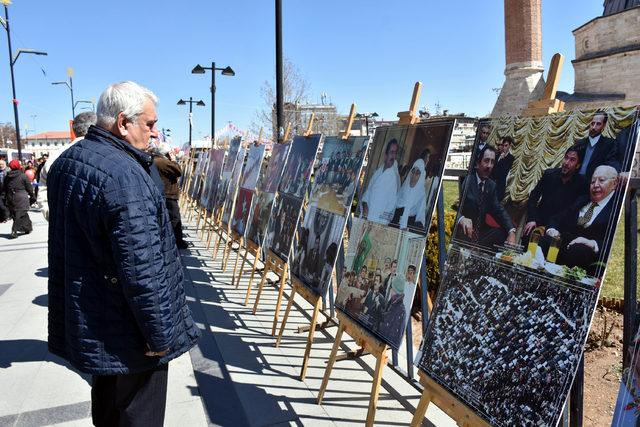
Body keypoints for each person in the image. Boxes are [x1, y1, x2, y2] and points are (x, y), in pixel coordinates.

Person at [47, 81, 200, 426]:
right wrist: (160, 338)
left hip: (96, 322)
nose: (155, 132)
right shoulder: (125, 175)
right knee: (137, 413)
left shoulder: (68, 162)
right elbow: (142, 268)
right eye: (149, 124)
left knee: (107, 408)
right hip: (130, 333)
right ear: (122, 122)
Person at [545, 165, 619, 276]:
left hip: (586, 253)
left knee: (577, 251)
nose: (596, 185)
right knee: (542, 240)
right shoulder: (582, 200)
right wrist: (552, 230)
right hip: (564, 243)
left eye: (601, 180)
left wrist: (592, 243)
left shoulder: (618, 208)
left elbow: (616, 243)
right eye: (593, 182)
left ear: (614, 183)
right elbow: (556, 218)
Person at [41, 111, 98, 221]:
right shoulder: (106, 152)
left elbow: (43, 193)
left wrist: (53, 217)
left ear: (74, 130)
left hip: (62, 224)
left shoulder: (53, 157)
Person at [456, 146, 516, 249]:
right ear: (477, 163)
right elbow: (451, 207)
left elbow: (499, 210)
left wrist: (511, 231)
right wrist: (461, 219)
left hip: (480, 234)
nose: (489, 166)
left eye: (492, 162)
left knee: (501, 233)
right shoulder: (466, 180)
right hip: (463, 232)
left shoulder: (491, 185)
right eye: (486, 161)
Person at [524, 145, 587, 236]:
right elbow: (533, 198)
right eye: (566, 158)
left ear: (578, 165)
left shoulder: (582, 183)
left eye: (572, 160)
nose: (566, 163)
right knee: (528, 233)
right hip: (539, 222)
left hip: (560, 227)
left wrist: (554, 227)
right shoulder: (549, 175)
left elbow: (573, 209)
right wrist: (532, 219)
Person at [152, 142, 188, 249]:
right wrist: (173, 160)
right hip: (168, 195)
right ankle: (176, 241)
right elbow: (178, 171)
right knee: (174, 219)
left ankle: (174, 240)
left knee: (171, 218)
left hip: (165, 193)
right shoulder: (162, 161)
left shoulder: (156, 159)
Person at [361, 138, 401, 225]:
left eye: (395, 153)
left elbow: (392, 206)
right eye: (391, 152)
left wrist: (379, 225)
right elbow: (368, 191)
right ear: (385, 155)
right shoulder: (378, 171)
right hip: (366, 218)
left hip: (378, 224)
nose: (393, 156)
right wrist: (365, 205)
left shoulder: (394, 177)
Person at [575, 111, 620, 180]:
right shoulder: (580, 143)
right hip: (575, 181)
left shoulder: (609, 144)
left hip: (594, 183)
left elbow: (612, 163)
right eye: (592, 123)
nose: (594, 127)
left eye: (598, 124)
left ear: (604, 126)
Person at [392, 158, 427, 232]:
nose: (414, 175)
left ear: (421, 176)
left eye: (417, 173)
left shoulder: (421, 195)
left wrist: (408, 229)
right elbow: (393, 205)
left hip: (407, 231)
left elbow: (420, 220)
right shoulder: (404, 189)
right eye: (413, 171)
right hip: (394, 227)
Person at [3, 159, 35, 238]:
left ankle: (27, 228)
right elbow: (29, 187)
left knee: (21, 214)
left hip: (11, 197)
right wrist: (32, 196)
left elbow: (4, 188)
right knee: (19, 214)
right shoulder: (23, 176)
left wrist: (5, 198)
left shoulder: (7, 177)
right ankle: (14, 230)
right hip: (21, 197)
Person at [490, 136, 515, 201]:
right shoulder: (497, 155)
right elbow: (492, 170)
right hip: (491, 185)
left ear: (510, 146)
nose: (504, 148)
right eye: (502, 145)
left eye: (506, 146)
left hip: (500, 187)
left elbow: (504, 171)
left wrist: (502, 159)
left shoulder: (511, 158)